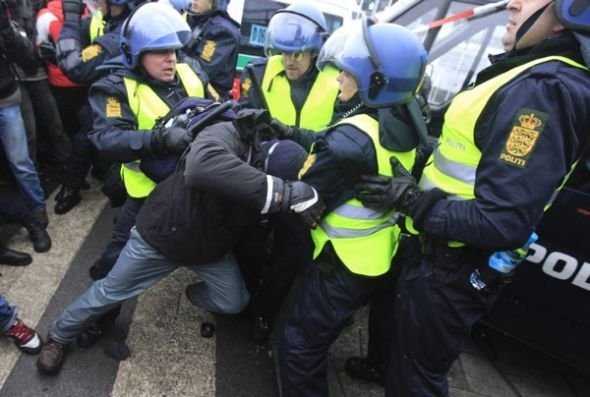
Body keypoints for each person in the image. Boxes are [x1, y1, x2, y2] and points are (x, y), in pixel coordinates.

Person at [353, 1, 590, 395]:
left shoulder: (543, 92)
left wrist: (411, 201)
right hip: (440, 254)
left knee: (416, 379)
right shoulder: (531, 71)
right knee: (404, 354)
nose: (512, 3)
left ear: (572, 11)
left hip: (452, 265)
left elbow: (501, 221)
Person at [35, 111, 324, 376]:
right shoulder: (228, 133)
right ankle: (58, 336)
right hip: (161, 237)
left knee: (234, 301)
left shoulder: (272, 181)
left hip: (208, 249)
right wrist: (279, 193)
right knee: (109, 291)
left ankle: (192, 293)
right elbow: (200, 166)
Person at [271, 20, 427, 396]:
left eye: (349, 72)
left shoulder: (350, 139)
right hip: (375, 256)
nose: (339, 78)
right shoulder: (406, 115)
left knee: (297, 345)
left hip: (338, 262)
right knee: (322, 331)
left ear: (375, 81)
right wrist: (293, 132)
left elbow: (304, 195)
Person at [236, 1, 342, 344]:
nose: (291, 60)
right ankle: (242, 299)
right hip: (266, 175)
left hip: (308, 185)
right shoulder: (257, 72)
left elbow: (338, 140)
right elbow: (243, 122)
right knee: (249, 242)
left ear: (316, 50)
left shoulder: (336, 85)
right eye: (285, 52)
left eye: (300, 53)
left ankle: (265, 314)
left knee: (289, 256)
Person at [86, 1, 207, 283]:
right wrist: (159, 138)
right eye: (161, 52)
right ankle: (99, 312)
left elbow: (214, 107)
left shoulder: (189, 73)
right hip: (147, 194)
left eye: (174, 51)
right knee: (118, 256)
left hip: (191, 185)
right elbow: (106, 138)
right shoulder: (115, 88)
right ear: (137, 54)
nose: (171, 59)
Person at [52, 0, 133, 215]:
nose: (95, 2)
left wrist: (69, 19)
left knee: (100, 146)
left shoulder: (121, 31)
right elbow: (84, 40)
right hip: (105, 92)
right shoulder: (113, 19)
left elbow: (76, 67)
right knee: (86, 138)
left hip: (118, 100)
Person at [240, 1, 340, 132]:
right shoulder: (258, 72)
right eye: (285, 53)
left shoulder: (337, 81)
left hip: (317, 152)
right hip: (268, 150)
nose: (289, 62)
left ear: (314, 52)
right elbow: (243, 118)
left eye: (297, 54)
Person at [0, 3, 49, 228]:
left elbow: (26, 56)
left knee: (20, 161)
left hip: (5, 99)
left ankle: (37, 209)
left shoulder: (5, 21)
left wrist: (5, 29)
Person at [173, 0, 240, 100]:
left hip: (208, 101)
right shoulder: (192, 19)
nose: (194, 0)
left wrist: (172, 52)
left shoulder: (222, 31)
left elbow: (201, 71)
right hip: (186, 91)